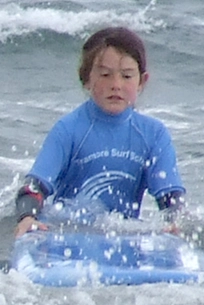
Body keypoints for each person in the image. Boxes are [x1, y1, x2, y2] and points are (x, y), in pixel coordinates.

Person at [11, 26, 186, 235]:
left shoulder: (154, 135)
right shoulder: (68, 130)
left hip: (123, 236)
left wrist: (174, 223)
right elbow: (34, 187)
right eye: (105, 75)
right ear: (86, 79)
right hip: (65, 233)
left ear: (142, 81)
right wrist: (28, 217)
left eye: (127, 76)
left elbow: (170, 197)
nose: (116, 85)